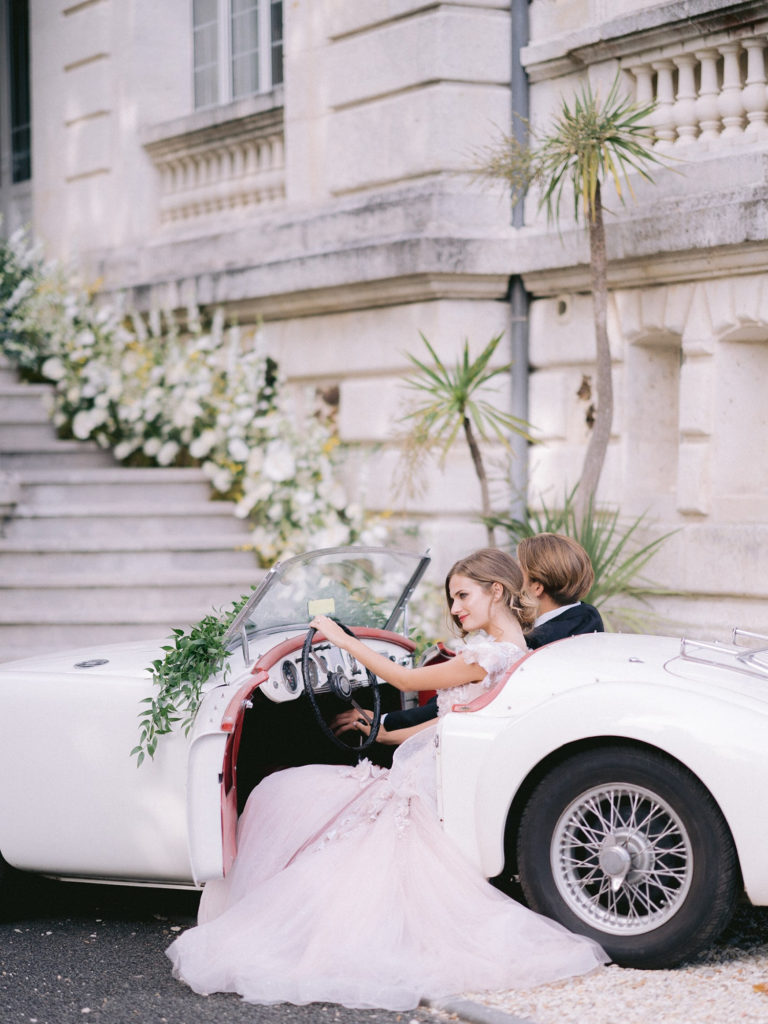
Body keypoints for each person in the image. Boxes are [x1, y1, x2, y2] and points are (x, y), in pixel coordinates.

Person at [166, 548, 607, 1010]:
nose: (456, 610)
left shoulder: (491, 654)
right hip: (425, 766)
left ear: (496, 591)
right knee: (294, 795)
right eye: (452, 599)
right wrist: (378, 729)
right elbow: (446, 715)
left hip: (423, 782)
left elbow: (403, 673)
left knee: (281, 792)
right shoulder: (509, 651)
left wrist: (342, 637)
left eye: (463, 596)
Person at [335, 533, 603, 743]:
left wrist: (385, 723)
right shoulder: (586, 619)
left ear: (536, 586)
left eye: (519, 570)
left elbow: (414, 685)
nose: (512, 575)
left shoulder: (529, 645)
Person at [516, 532, 604, 649]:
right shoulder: (590, 617)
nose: (514, 578)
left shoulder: (533, 643)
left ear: (537, 588)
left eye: (519, 572)